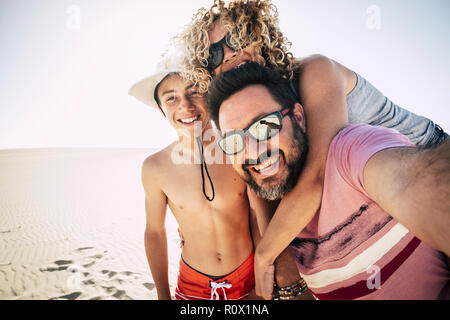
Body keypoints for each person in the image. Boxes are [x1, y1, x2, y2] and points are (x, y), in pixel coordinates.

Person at [175, 0, 449, 298]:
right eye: (215, 52)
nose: (229, 53)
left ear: (257, 34)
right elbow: (261, 186)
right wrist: (281, 263)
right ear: (207, 68)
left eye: (237, 38)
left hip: (428, 155)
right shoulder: (246, 114)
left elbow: (316, 176)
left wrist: (266, 254)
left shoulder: (313, 71)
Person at [206, 61, 450, 300]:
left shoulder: (349, 152)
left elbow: (415, 183)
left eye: (265, 125)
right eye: (234, 141)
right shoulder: (266, 196)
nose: (253, 151)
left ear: (299, 117)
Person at [128, 56, 312, 300]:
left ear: (209, 97)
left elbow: (258, 215)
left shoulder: (239, 150)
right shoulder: (155, 167)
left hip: (248, 276)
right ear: (161, 108)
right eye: (171, 98)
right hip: (194, 283)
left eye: (194, 91)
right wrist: (163, 295)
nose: (185, 105)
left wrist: (260, 279)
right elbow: (154, 231)